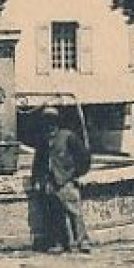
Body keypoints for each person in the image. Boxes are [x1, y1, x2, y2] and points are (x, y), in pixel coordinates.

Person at [31, 106, 93, 253]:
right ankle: (60, 243)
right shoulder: (43, 140)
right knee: (55, 214)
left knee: (75, 213)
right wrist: (37, 180)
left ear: (57, 123)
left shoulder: (68, 136)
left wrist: (76, 174)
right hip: (50, 183)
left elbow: (84, 157)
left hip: (66, 182)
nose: (49, 125)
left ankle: (83, 242)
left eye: (52, 121)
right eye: (46, 122)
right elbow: (38, 162)